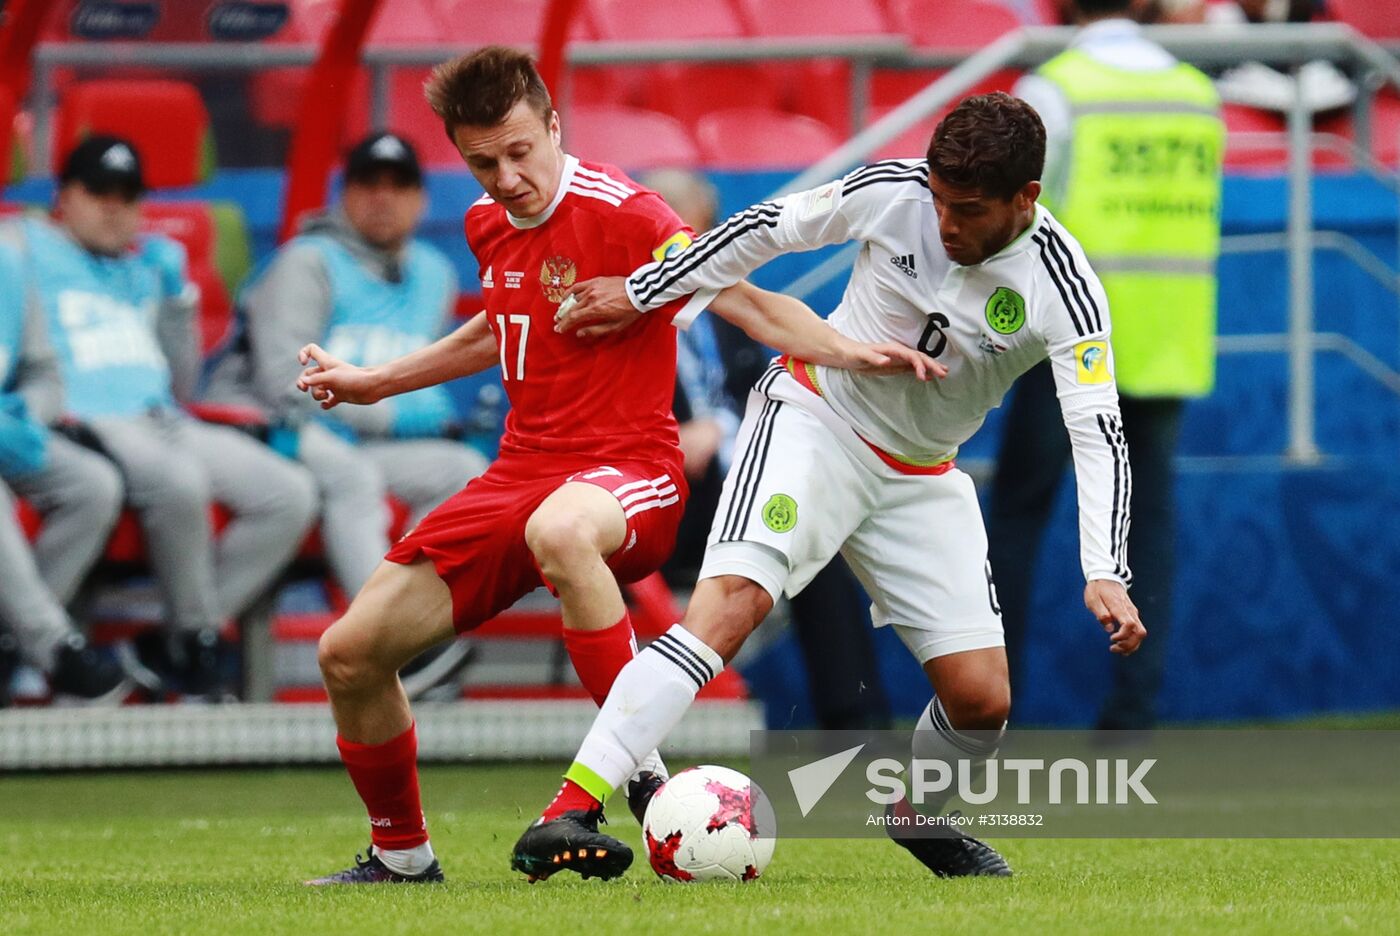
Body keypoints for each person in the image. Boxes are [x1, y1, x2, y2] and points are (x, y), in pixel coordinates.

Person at [293, 47, 933, 886]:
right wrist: (374, 379)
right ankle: (402, 858)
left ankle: (637, 779)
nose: (507, 176)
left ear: (555, 126)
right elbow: (499, 327)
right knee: (349, 653)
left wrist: (852, 352)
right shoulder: (490, 223)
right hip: (518, 475)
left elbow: (747, 300)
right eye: (483, 162)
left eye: (521, 151)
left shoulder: (628, 213)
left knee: (561, 527)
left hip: (631, 471)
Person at [515, 92, 1147, 882]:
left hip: (921, 477)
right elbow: (760, 231)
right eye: (941, 201)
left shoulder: (1068, 288)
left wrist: (1105, 570)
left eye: (969, 210)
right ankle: (570, 806)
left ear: (1028, 199)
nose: (945, 223)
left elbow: (1097, 430)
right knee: (732, 605)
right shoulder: (897, 191)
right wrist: (647, 290)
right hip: (816, 421)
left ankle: (919, 814)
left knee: (982, 702)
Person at [988, 0, 1223, 732]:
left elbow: (1014, 223)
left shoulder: (1053, 88)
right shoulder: (1197, 94)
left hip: (1068, 344)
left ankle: (991, 706)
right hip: (1167, 338)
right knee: (1147, 526)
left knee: (1017, 519)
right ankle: (1134, 707)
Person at [15, 135, 318, 699]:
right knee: (178, 482)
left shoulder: (142, 267)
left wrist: (177, 299)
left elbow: (181, 385)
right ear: (65, 197)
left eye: (128, 196)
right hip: (84, 418)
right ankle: (196, 640)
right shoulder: (26, 246)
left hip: (163, 416)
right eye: (98, 191)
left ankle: (170, 642)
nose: (114, 206)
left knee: (288, 494)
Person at [643, 167, 892, 731]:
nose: (676, 249)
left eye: (689, 233)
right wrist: (668, 440)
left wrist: (724, 430)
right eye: (662, 232)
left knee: (818, 532)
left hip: (738, 483)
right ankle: (855, 721)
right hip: (667, 497)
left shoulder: (730, 314)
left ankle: (857, 721)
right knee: (795, 530)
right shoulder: (628, 311)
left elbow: (762, 393)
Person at [206, 132, 488, 612]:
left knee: (464, 473)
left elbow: (430, 380)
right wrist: (388, 415)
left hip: (355, 439)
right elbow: (282, 384)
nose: (383, 197)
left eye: (398, 186)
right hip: (270, 428)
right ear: (345, 193)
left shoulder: (434, 273)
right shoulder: (308, 261)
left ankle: (417, 617)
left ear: (420, 200)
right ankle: (378, 636)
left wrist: (403, 411)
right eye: (368, 183)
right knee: (351, 476)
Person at [0, 237, 129, 704]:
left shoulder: (10, 262)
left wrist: (25, 414)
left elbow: (46, 374)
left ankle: (10, 641)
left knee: (94, 484)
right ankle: (52, 646)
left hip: (8, 433)